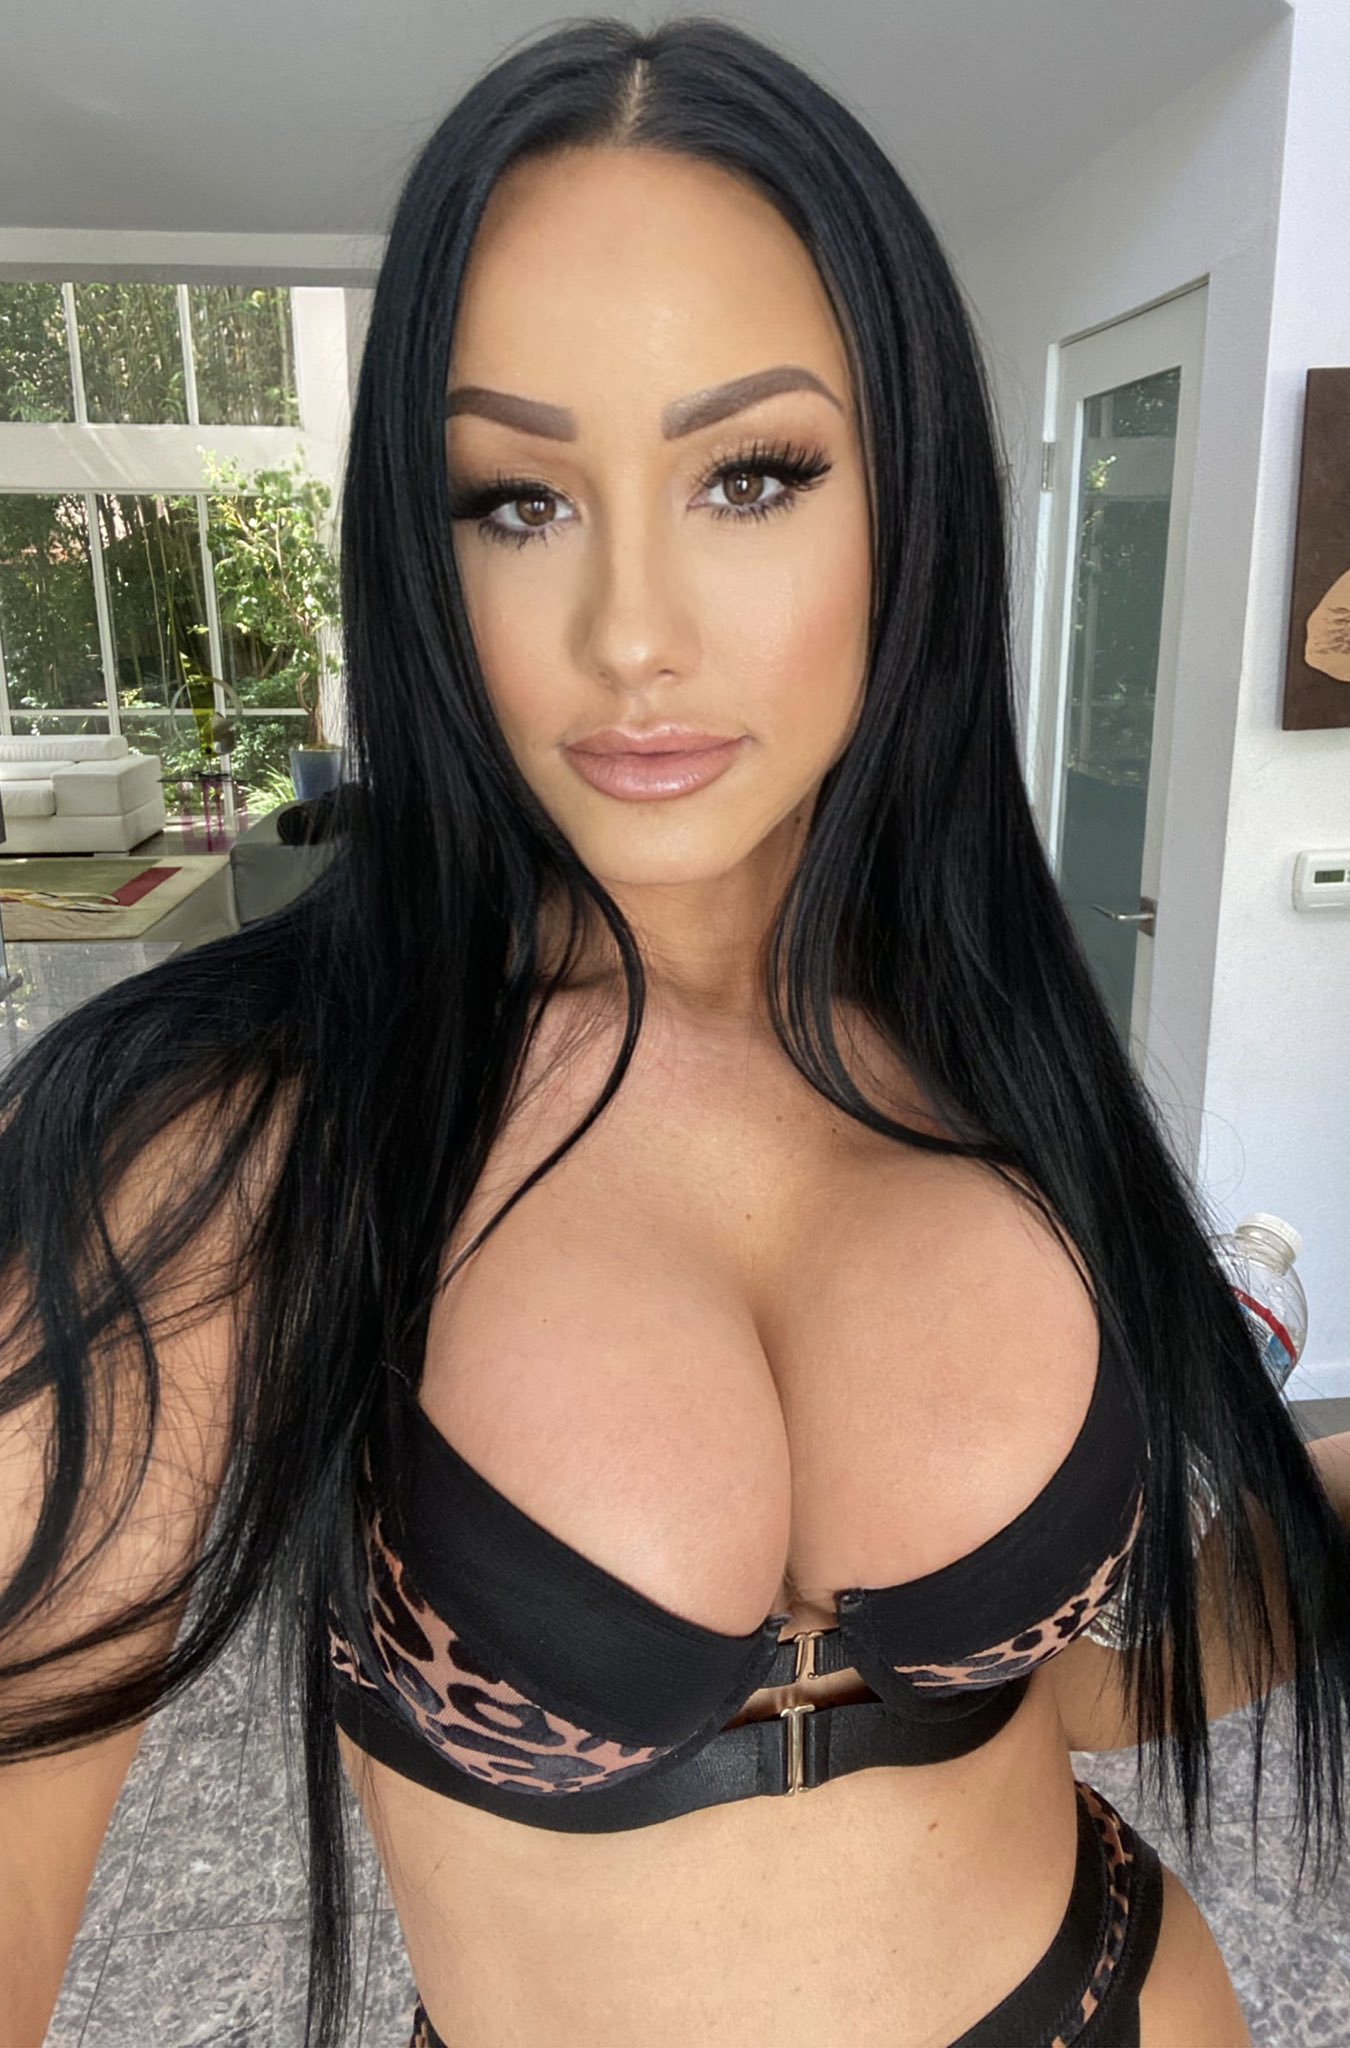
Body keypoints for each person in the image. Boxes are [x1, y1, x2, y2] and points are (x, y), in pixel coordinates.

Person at [3, 17, 1350, 2048]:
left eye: (750, 475)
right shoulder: (226, 1141)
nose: (631, 633)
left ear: (909, 504)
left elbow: (1052, 1693)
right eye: (516, 500)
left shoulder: (986, 1042)